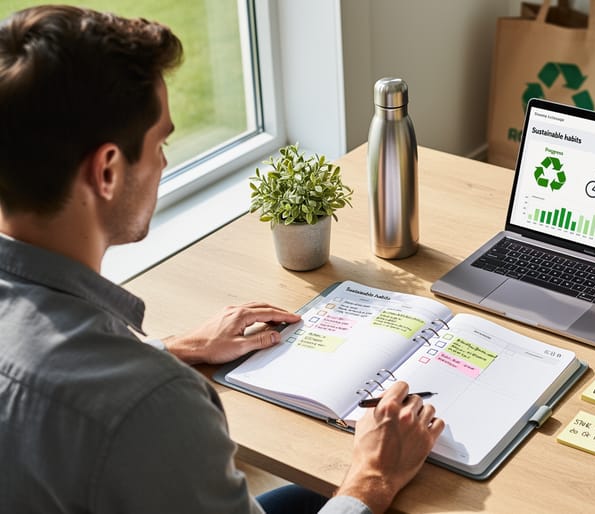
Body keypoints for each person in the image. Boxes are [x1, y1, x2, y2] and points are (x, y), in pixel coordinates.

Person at [0, 5, 443, 514]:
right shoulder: (157, 408)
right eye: (161, 142)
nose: (165, 162)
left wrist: (175, 348)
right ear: (106, 171)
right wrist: (372, 479)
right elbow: (112, 406)